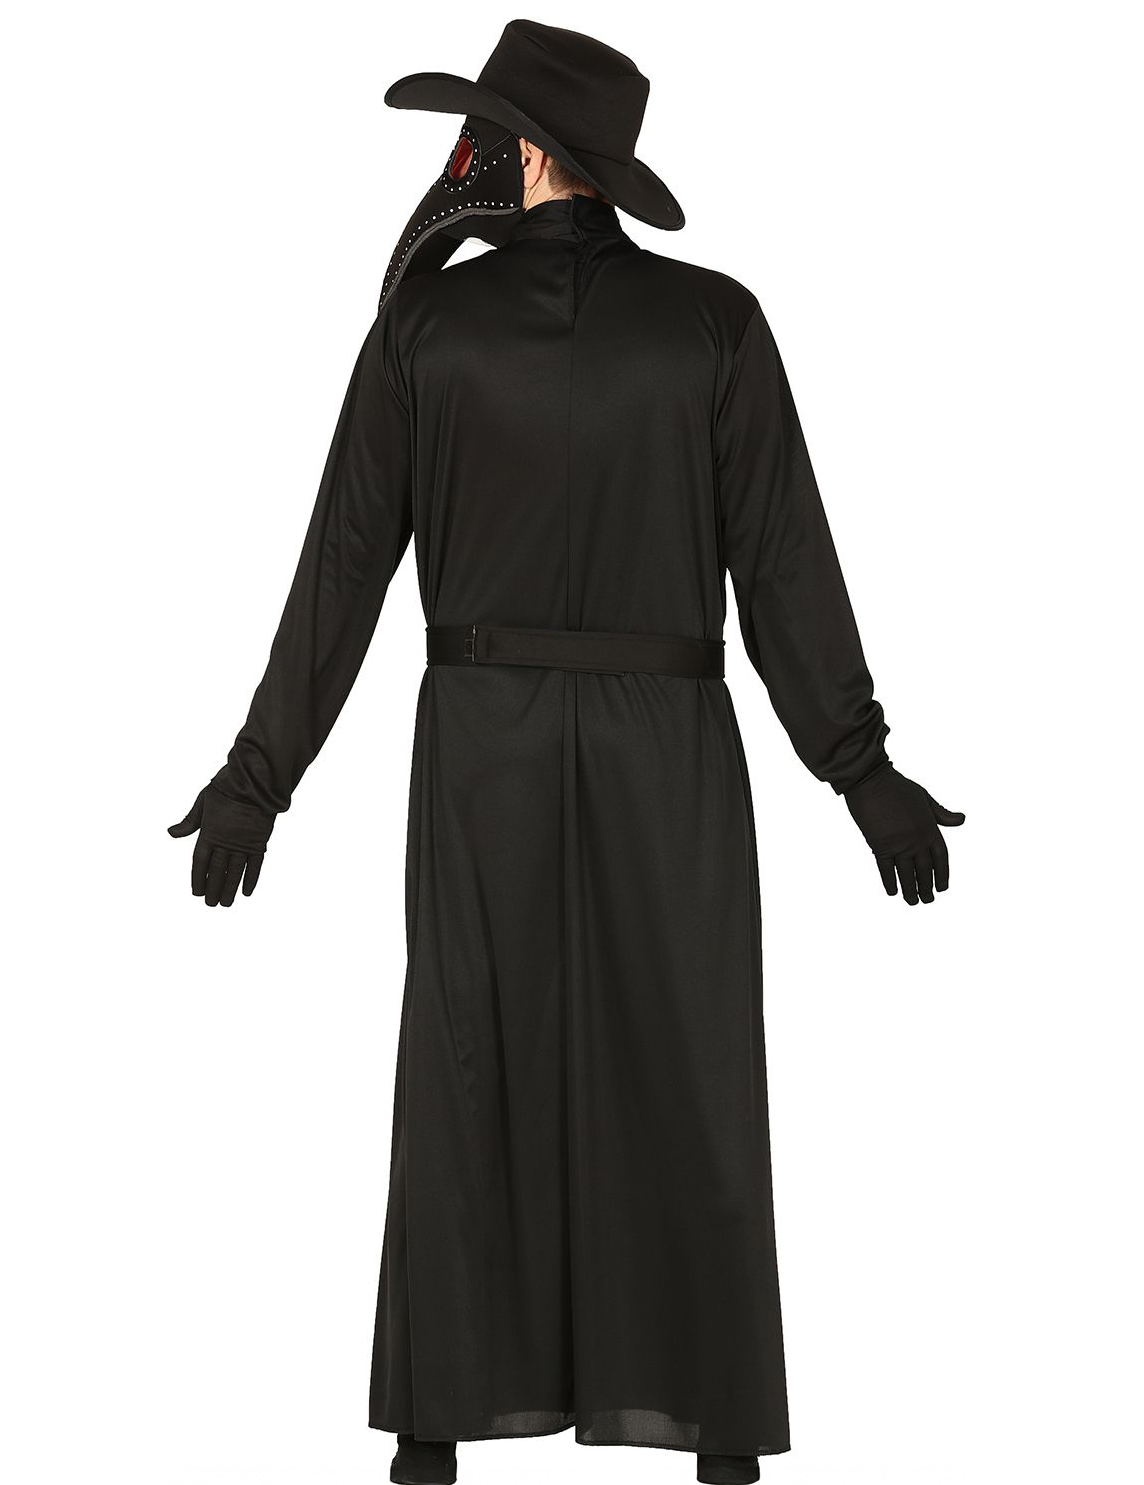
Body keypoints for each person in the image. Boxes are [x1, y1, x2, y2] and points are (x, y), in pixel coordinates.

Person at [168, 20, 964, 1485]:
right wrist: (861, 772)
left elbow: (342, 570)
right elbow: (786, 570)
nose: (460, 161)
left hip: (485, 749)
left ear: (533, 156)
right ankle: (717, 1430)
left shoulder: (426, 328)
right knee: (684, 1070)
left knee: (470, 1067)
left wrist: (257, 777)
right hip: (672, 756)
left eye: (482, 135)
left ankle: (433, 1434)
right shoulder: (715, 325)